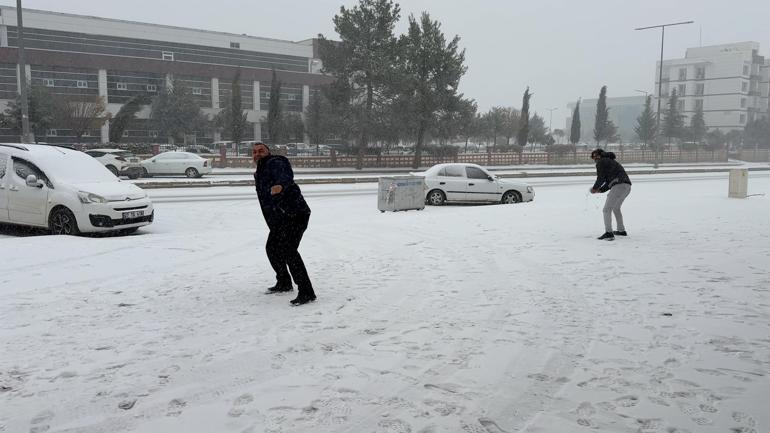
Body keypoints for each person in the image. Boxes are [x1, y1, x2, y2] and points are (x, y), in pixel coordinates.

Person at [253, 142, 316, 305]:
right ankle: (284, 282)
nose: (258, 153)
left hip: (295, 214)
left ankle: (307, 292)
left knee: (289, 250)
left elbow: (285, 175)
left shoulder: (275, 162)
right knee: (272, 248)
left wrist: (280, 184)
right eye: (254, 152)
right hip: (279, 218)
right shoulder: (259, 171)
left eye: (261, 150)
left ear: (268, 152)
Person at [590, 148, 632, 241]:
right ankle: (621, 230)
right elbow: (608, 182)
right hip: (627, 186)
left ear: (599, 155)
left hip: (618, 186)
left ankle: (609, 233)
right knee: (616, 208)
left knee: (606, 209)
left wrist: (594, 188)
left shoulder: (601, 162)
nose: (594, 159)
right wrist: (600, 190)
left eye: (595, 156)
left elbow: (600, 178)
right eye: (593, 158)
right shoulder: (611, 162)